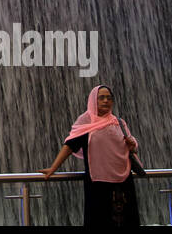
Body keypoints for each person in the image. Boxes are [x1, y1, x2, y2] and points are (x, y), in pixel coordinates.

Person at [42, 85, 140, 226]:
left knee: (127, 219)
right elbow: (70, 146)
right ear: (93, 100)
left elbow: (132, 147)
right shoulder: (86, 122)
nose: (106, 101)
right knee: (99, 219)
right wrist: (53, 168)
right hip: (98, 183)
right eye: (101, 98)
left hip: (124, 181)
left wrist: (133, 145)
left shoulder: (119, 122)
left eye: (109, 98)